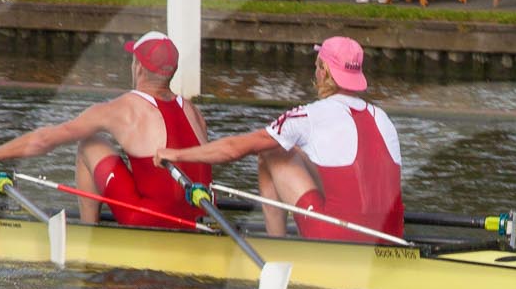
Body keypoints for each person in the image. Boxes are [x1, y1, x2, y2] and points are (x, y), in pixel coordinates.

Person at [156, 38, 402, 244]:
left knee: (269, 152)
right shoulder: (383, 118)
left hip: (338, 239)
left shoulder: (309, 115)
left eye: (317, 66)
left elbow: (234, 149)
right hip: (391, 237)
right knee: (291, 149)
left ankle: (277, 245)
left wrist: (176, 155)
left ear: (324, 71)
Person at [0, 33, 209, 229]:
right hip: (199, 219)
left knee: (89, 143)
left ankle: (89, 231)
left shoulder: (122, 109)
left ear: (139, 68)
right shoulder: (194, 112)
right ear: (173, 70)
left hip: (149, 221)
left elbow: (46, 140)